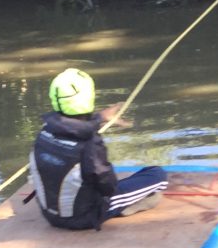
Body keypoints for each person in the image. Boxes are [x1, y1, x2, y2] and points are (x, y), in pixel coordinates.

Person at [30, 68, 169, 231]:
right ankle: (125, 207)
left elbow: (71, 127)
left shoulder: (45, 132)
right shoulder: (89, 143)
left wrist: (100, 118)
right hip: (85, 217)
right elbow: (108, 186)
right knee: (158, 175)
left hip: (49, 215)